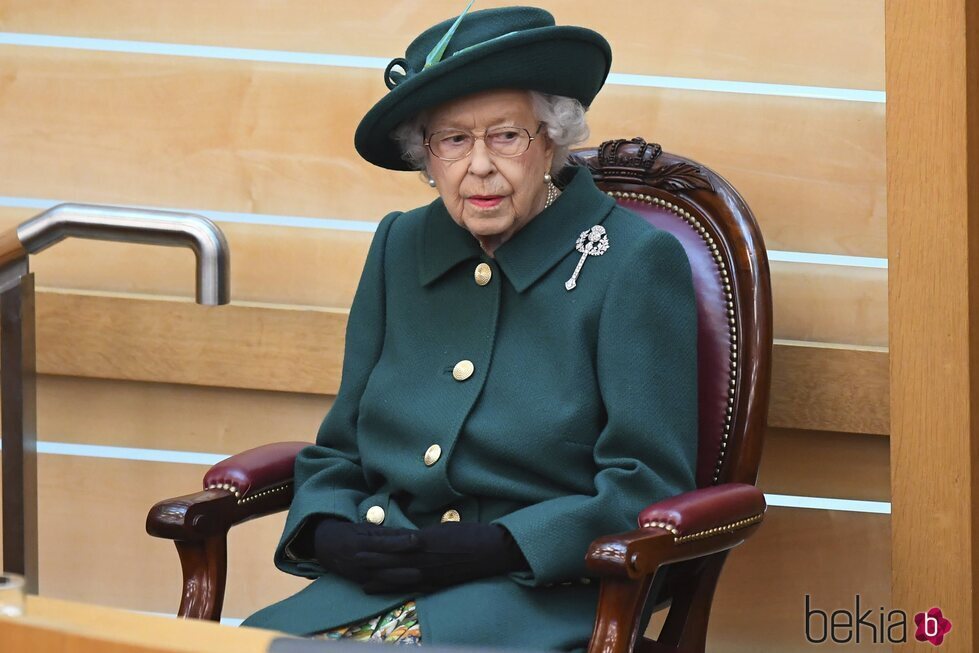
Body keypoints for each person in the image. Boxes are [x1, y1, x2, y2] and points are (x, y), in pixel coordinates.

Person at [242, 6, 698, 651]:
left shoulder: (631, 261)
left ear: (552, 140)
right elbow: (342, 448)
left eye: (506, 135)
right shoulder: (400, 244)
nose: (478, 166)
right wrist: (328, 530)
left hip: (535, 598)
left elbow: (648, 485)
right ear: (426, 157)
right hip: (373, 582)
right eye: (453, 140)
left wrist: (496, 546)